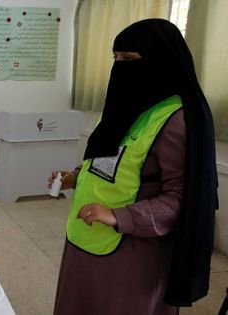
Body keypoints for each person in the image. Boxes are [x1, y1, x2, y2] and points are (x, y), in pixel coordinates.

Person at [49, 19, 218, 314]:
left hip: (133, 248)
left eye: (129, 59)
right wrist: (75, 177)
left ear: (160, 60)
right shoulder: (123, 104)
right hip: (87, 231)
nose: (120, 67)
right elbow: (109, 157)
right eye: (115, 58)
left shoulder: (177, 117)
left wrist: (118, 217)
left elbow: (182, 199)